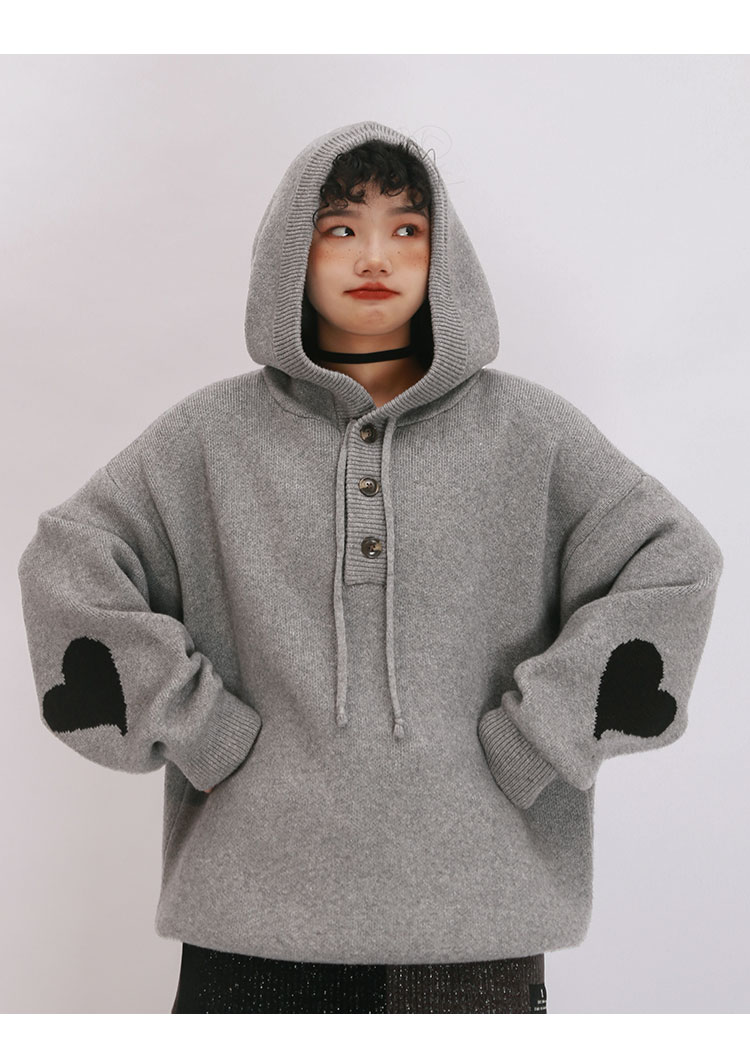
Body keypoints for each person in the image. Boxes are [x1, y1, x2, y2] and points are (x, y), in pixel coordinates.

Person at [17, 119, 723, 1014]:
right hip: (250, 928)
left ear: (443, 254)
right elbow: (66, 564)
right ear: (293, 252)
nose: (376, 255)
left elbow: (676, 564)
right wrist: (200, 730)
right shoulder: (208, 437)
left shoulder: (532, 433)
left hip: (478, 932)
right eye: (342, 227)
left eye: (408, 228)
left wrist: (541, 733)